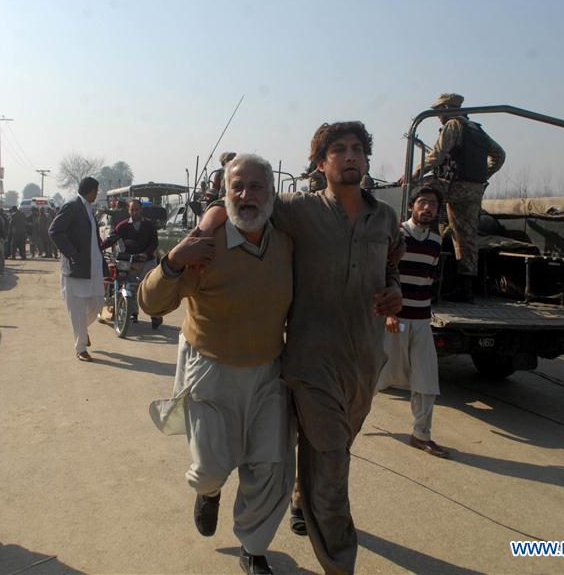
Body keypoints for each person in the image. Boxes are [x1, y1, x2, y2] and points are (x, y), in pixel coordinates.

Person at [198, 122, 403, 575]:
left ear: (366, 160)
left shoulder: (384, 217)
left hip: (365, 363)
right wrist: (209, 219)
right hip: (311, 363)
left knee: (327, 455)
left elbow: (393, 261)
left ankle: (299, 500)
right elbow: (243, 201)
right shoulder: (297, 210)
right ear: (321, 162)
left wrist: (395, 291)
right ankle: (339, 563)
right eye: (339, 150)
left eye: (357, 150)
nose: (350, 156)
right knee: (331, 465)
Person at [140, 154, 295, 575]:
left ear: (272, 192)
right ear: (224, 194)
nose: (246, 196)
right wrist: (172, 262)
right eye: (237, 187)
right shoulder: (204, 247)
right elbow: (150, 302)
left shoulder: (287, 242)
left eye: (256, 186)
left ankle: (253, 546)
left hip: (268, 373)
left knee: (269, 465)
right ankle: (208, 494)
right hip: (210, 369)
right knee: (210, 467)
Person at [406, 93, 506, 302]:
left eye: (439, 112)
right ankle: (465, 288)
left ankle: (420, 235)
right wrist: (482, 176)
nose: (438, 117)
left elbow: (438, 155)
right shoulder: (476, 129)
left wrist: (413, 174)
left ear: (447, 109)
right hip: (474, 190)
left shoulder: (453, 125)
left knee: (422, 192)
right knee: (467, 237)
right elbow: (499, 155)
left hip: (453, 186)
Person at [376, 185, 450, 459]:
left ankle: (421, 435)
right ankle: (346, 423)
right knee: (376, 376)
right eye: (423, 202)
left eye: (433, 204)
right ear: (411, 206)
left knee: (426, 379)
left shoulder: (436, 242)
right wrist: (389, 315)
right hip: (395, 320)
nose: (428, 208)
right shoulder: (397, 235)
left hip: (421, 321)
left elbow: (427, 281)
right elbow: (384, 274)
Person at [48, 177, 107, 362]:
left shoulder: (89, 209)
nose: (97, 194)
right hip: (76, 269)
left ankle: (82, 330)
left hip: (93, 267)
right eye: (96, 191)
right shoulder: (73, 205)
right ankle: (80, 348)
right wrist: (72, 254)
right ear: (90, 190)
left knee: (98, 302)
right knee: (78, 310)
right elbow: (55, 230)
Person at [102, 199, 163, 328]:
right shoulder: (123, 225)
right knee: (130, 287)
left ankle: (155, 315)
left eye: (137, 210)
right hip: (130, 261)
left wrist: (146, 253)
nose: (135, 212)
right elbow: (113, 237)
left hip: (147, 261)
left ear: (141, 210)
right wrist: (99, 247)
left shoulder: (149, 225)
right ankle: (133, 313)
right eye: (132, 210)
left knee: (149, 289)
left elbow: (154, 243)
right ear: (128, 211)